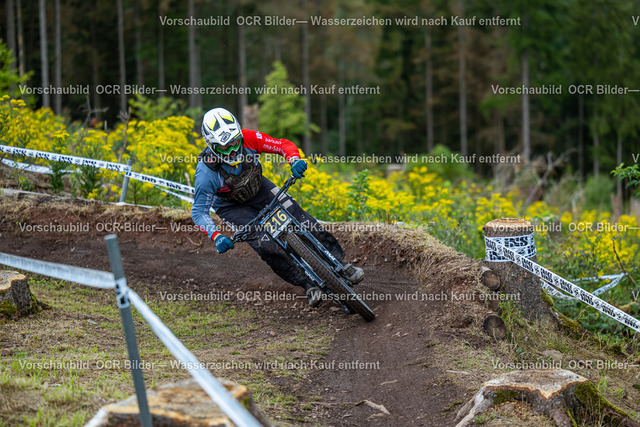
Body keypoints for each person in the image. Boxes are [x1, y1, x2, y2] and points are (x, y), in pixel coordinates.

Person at [191, 107, 363, 307]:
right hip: (232, 207)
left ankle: (341, 264)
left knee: (303, 220)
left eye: (234, 143)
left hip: (260, 189)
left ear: (239, 135)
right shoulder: (206, 173)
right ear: (211, 146)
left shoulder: (249, 138)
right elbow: (199, 212)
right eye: (223, 147)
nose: (231, 151)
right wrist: (216, 236)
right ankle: (307, 284)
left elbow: (282, 145)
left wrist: (294, 159)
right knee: (266, 246)